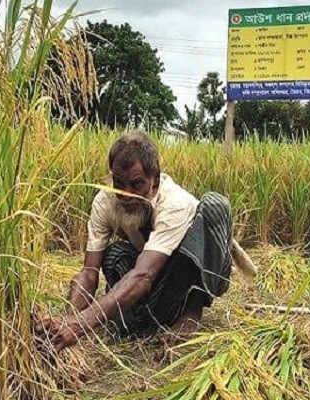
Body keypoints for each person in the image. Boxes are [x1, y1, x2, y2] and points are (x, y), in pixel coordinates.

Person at [34, 130, 256, 352]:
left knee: (215, 204)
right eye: (119, 183)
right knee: (114, 254)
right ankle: (141, 319)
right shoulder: (105, 201)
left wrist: (82, 324)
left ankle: (191, 311)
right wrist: (66, 320)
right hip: (153, 278)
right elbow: (89, 273)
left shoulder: (174, 203)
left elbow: (144, 274)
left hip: (187, 273)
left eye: (137, 184)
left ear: (155, 179)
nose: (126, 194)